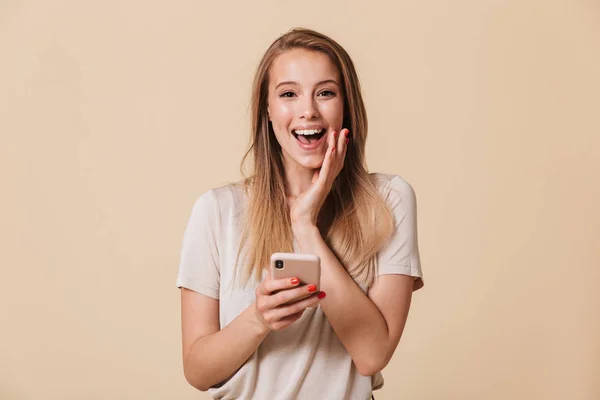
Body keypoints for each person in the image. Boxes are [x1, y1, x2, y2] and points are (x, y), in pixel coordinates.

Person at [176, 27, 424, 400]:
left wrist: (305, 226)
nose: (308, 110)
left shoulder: (388, 200)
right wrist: (258, 319)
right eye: (288, 94)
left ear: (346, 106)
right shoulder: (217, 211)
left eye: (325, 93)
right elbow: (197, 370)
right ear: (268, 110)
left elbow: (372, 355)